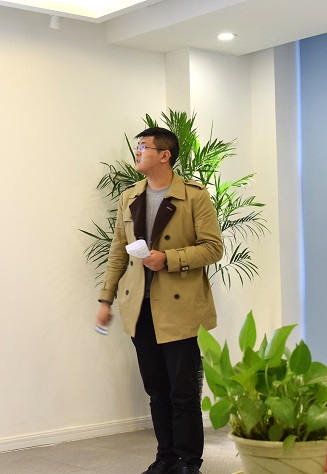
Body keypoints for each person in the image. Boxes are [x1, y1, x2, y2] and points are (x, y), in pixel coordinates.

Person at [95, 127, 223, 474]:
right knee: (156, 391)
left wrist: (169, 259)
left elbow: (213, 248)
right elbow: (118, 251)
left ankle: (188, 462)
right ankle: (165, 458)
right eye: (138, 146)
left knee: (183, 392)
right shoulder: (130, 196)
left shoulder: (194, 196)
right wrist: (106, 299)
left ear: (164, 155)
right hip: (140, 307)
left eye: (144, 146)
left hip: (179, 309)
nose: (137, 151)